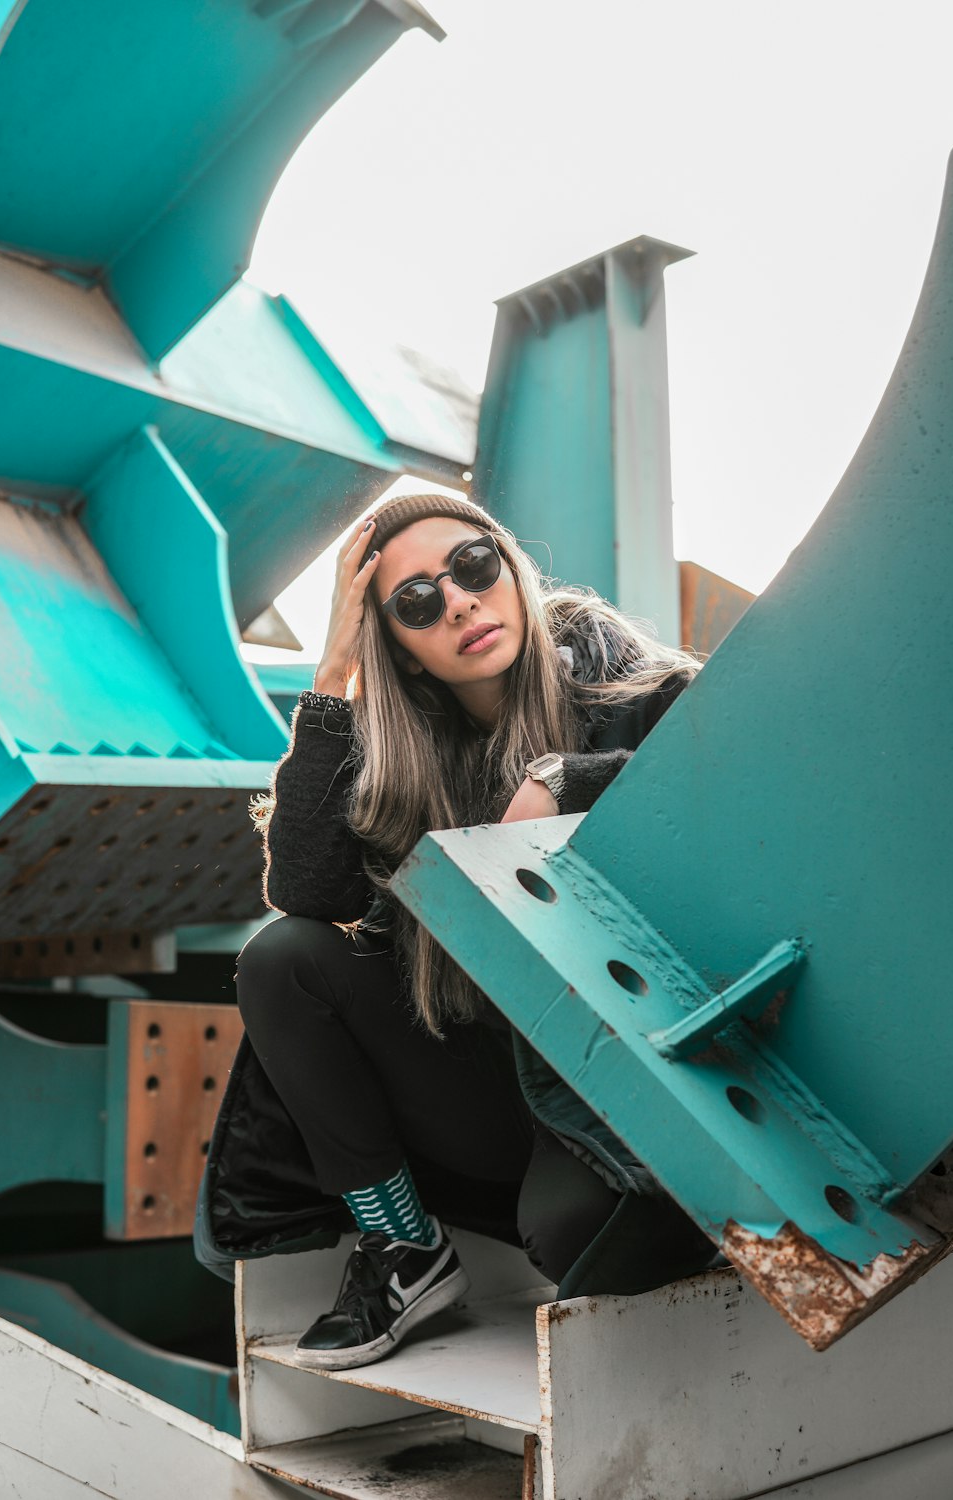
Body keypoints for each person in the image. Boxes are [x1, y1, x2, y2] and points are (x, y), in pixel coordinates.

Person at [214, 491, 715, 1372]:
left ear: (509, 568)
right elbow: (302, 887)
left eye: (473, 567)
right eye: (414, 602)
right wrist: (332, 678)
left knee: (569, 1243)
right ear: (401, 653)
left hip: (627, 1080)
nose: (456, 601)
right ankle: (405, 1249)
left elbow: (724, 782)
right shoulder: (404, 766)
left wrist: (567, 776)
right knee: (284, 959)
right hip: (486, 1080)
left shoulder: (636, 690)